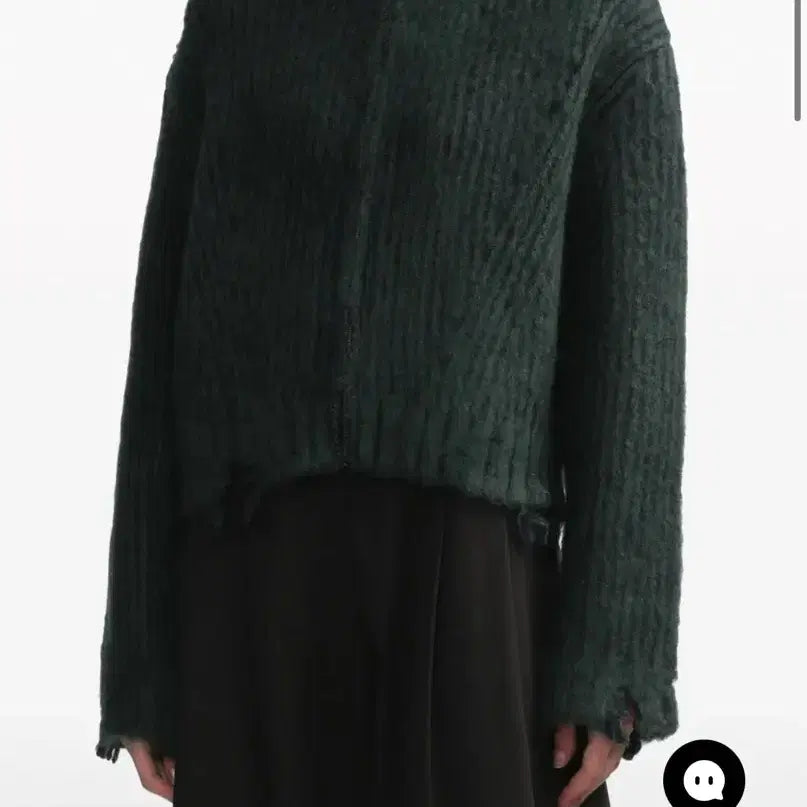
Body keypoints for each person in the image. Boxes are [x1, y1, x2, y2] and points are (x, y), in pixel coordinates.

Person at [95, 0, 687, 805]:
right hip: (244, 578)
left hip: (470, 586)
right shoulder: (233, 14)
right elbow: (164, 321)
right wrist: (141, 656)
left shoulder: (595, 17)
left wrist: (615, 653)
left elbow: (635, 354)